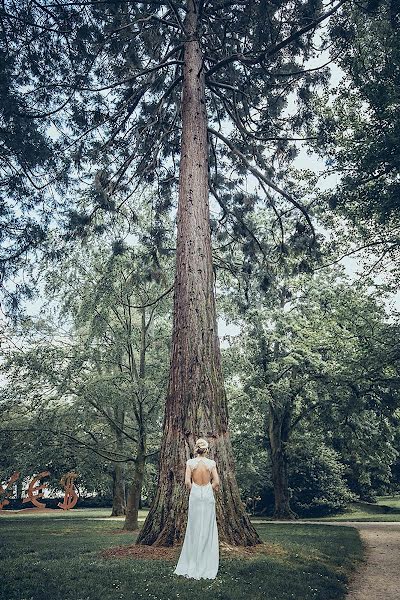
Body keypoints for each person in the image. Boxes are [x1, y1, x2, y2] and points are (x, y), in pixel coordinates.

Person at [173, 437, 220, 579]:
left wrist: (196, 490)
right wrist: (207, 490)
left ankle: (192, 560)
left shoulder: (190, 463)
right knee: (207, 527)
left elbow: (187, 482)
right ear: (206, 450)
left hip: (194, 495)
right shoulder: (211, 463)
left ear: (196, 449)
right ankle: (206, 560)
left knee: (194, 527)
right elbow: (216, 482)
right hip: (207, 495)